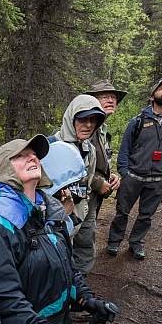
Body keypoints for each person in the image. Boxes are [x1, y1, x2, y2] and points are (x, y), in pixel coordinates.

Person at [0, 135, 118, 324]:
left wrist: (88, 300)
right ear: (5, 167)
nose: (32, 159)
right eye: (21, 156)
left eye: (34, 155)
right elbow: (3, 294)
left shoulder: (49, 211)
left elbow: (67, 267)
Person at [107, 77, 162, 260]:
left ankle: (136, 243)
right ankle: (114, 241)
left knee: (146, 215)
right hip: (133, 176)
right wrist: (124, 173)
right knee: (122, 212)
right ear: (152, 96)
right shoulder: (137, 121)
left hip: (160, 179)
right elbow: (124, 149)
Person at [73, 81, 126, 274]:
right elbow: (75, 165)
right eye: (105, 97)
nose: (111, 100)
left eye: (114, 98)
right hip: (80, 196)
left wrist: (111, 176)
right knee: (82, 238)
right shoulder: (82, 127)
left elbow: (99, 162)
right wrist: (98, 182)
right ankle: (75, 289)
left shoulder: (102, 131)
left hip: (92, 196)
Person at [49, 94, 106, 236]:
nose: (88, 125)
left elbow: (89, 179)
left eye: (93, 120)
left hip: (80, 213)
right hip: (54, 219)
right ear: (71, 119)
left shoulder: (89, 149)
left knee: (84, 252)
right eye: (83, 119)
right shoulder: (51, 147)